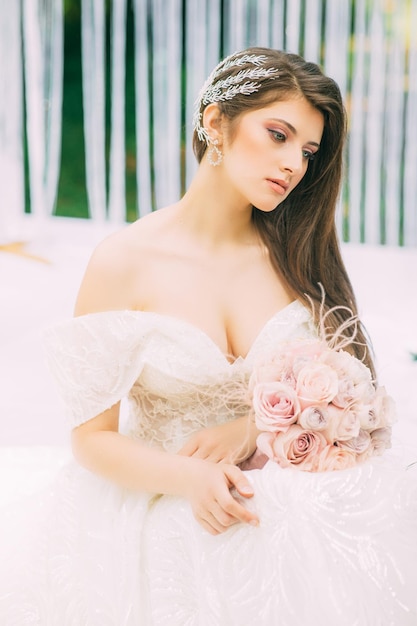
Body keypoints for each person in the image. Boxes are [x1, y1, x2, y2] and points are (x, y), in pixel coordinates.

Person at [1, 47, 416, 625]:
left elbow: (352, 391)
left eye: (308, 150)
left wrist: (256, 427)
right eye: (278, 134)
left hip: (293, 518)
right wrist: (191, 477)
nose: (295, 163)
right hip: (161, 511)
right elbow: (91, 438)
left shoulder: (298, 257)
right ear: (216, 123)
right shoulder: (125, 261)